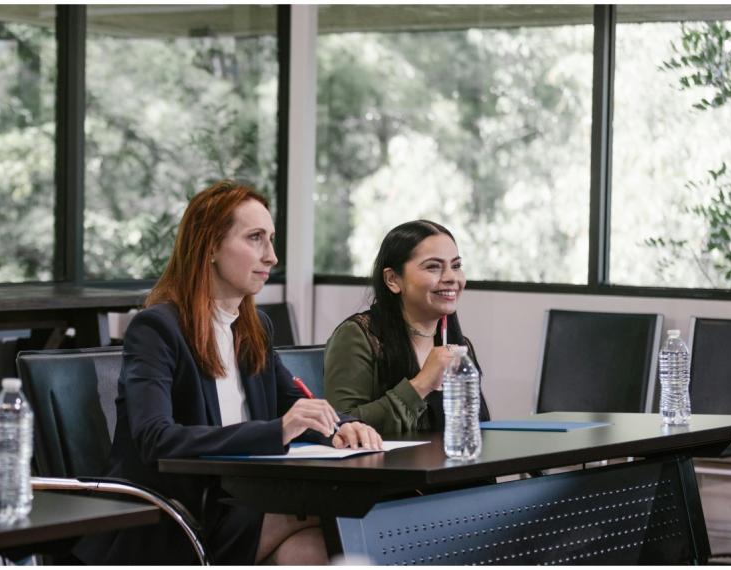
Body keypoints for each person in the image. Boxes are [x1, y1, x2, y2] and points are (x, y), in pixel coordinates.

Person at [75, 180, 382, 565]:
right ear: (210, 248)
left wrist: (342, 425)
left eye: (270, 239)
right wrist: (276, 430)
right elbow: (156, 439)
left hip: (243, 507)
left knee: (313, 550)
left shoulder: (253, 328)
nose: (271, 256)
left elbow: (295, 403)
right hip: (177, 519)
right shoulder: (157, 329)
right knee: (338, 517)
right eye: (256, 238)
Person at [324, 220, 490, 434]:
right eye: (433, 267)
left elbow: (477, 429)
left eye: (456, 266)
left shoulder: (458, 344)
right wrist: (422, 384)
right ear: (393, 279)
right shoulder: (357, 336)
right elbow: (340, 427)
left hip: (449, 466)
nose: (451, 278)